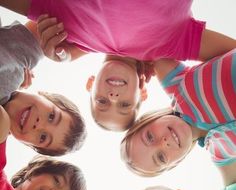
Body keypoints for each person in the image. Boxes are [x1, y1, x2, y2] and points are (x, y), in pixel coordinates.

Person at [1, 0, 236, 132]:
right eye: (124, 104)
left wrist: (61, 54)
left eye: (102, 101)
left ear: (91, 84)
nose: (113, 96)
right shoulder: (172, 44)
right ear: (142, 92)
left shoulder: (66, 35)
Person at [120, 48, 236, 185]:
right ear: (177, 162)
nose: (163, 143)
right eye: (161, 157)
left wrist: (137, 70)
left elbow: (150, 45)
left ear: (149, 119)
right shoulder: (220, 152)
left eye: (149, 137)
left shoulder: (178, 85)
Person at [0, 16, 86, 155]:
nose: (39, 125)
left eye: (43, 137)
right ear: (46, 96)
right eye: (52, 116)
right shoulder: (18, 64)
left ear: (26, 144)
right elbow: (58, 15)